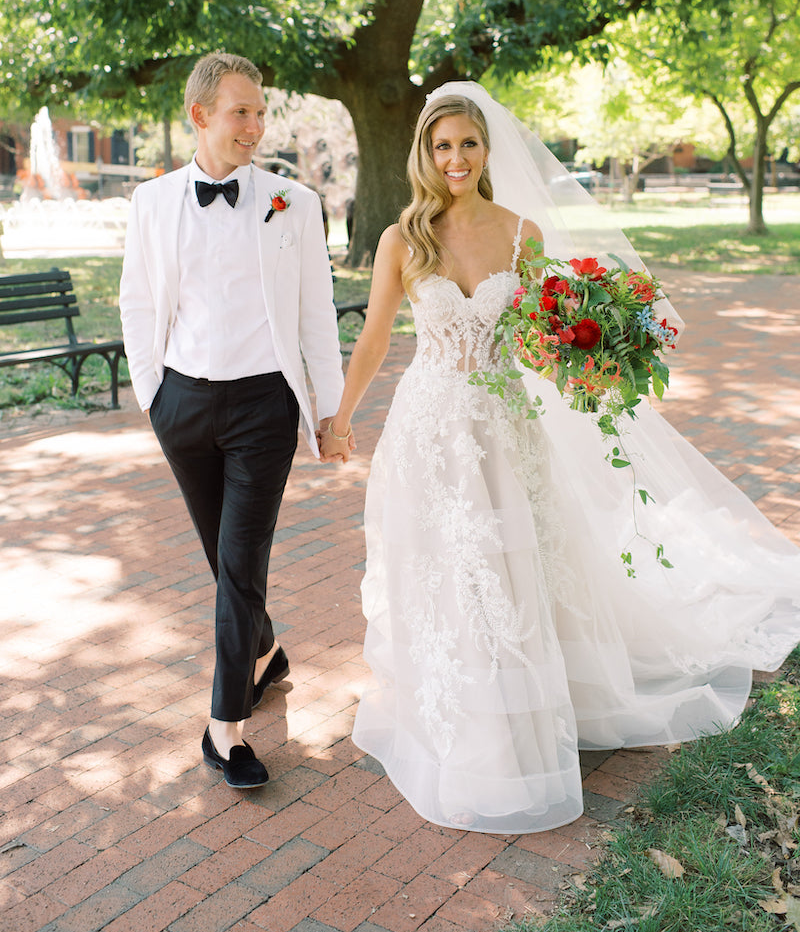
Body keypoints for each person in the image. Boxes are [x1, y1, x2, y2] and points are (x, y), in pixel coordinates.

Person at [318, 80, 800, 834]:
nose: (455, 158)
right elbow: (375, 338)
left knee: (512, 559)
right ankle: (461, 708)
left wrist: (600, 356)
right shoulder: (401, 238)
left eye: (468, 144)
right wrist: (341, 417)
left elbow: (544, 337)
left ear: (486, 150)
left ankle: (523, 704)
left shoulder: (522, 233)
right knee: (446, 564)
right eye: (441, 145)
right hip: (432, 430)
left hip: (507, 425)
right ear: (424, 152)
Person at [120, 52, 343, 788]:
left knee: (242, 560)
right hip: (180, 403)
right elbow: (138, 303)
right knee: (225, 565)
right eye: (241, 111)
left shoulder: (292, 203)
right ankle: (267, 651)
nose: (255, 125)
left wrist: (329, 408)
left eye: (260, 111)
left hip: (263, 409)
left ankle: (226, 730)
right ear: (201, 116)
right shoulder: (152, 204)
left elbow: (315, 317)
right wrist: (154, 395)